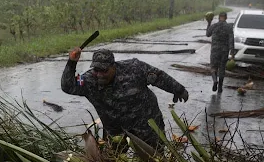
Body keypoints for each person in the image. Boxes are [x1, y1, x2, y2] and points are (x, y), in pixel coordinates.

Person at [60, 48, 189, 149]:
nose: (99, 75)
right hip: (115, 130)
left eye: (104, 70)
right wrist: (72, 62)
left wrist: (179, 89)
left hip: (145, 123)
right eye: (96, 70)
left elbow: (159, 77)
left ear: (113, 66)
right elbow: (68, 86)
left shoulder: (134, 68)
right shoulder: (89, 80)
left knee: (155, 161)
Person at [206, 12, 234, 94]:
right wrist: (232, 53)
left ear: (219, 17)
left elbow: (208, 34)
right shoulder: (229, 27)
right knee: (222, 69)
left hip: (215, 50)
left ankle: (215, 80)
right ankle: (220, 87)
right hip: (224, 51)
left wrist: (209, 22)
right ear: (226, 18)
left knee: (213, 67)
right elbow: (231, 40)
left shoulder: (214, 26)